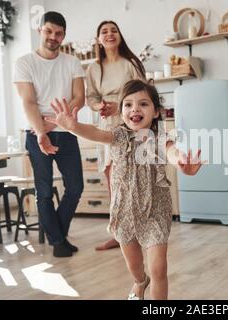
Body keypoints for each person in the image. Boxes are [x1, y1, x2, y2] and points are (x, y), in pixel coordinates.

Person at [46, 80, 203, 299]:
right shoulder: (117, 137)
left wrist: (182, 163)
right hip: (124, 212)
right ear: (121, 112)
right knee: (135, 266)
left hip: (154, 212)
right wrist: (73, 126)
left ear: (156, 112)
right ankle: (140, 282)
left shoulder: (160, 139)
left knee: (159, 269)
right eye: (128, 104)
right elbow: (93, 133)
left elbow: (172, 152)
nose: (135, 109)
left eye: (143, 104)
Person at [13, 11, 85, 258]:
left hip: (66, 132)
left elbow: (79, 98)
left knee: (75, 187)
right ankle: (58, 241)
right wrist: (42, 133)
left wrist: (54, 123)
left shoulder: (72, 62)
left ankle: (58, 237)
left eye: (58, 33)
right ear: (40, 31)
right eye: (49, 31)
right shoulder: (24, 63)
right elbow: (29, 102)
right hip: (35, 134)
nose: (53, 37)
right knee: (43, 191)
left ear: (64, 35)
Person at [85, 21, 145, 251]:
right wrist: (99, 105)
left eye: (114, 30)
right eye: (104, 32)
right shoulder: (93, 69)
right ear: (98, 39)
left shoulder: (130, 63)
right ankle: (119, 232)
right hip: (106, 125)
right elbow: (90, 97)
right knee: (112, 178)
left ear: (119, 35)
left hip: (130, 123)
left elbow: (142, 93)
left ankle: (139, 229)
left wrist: (119, 106)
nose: (109, 34)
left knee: (131, 178)